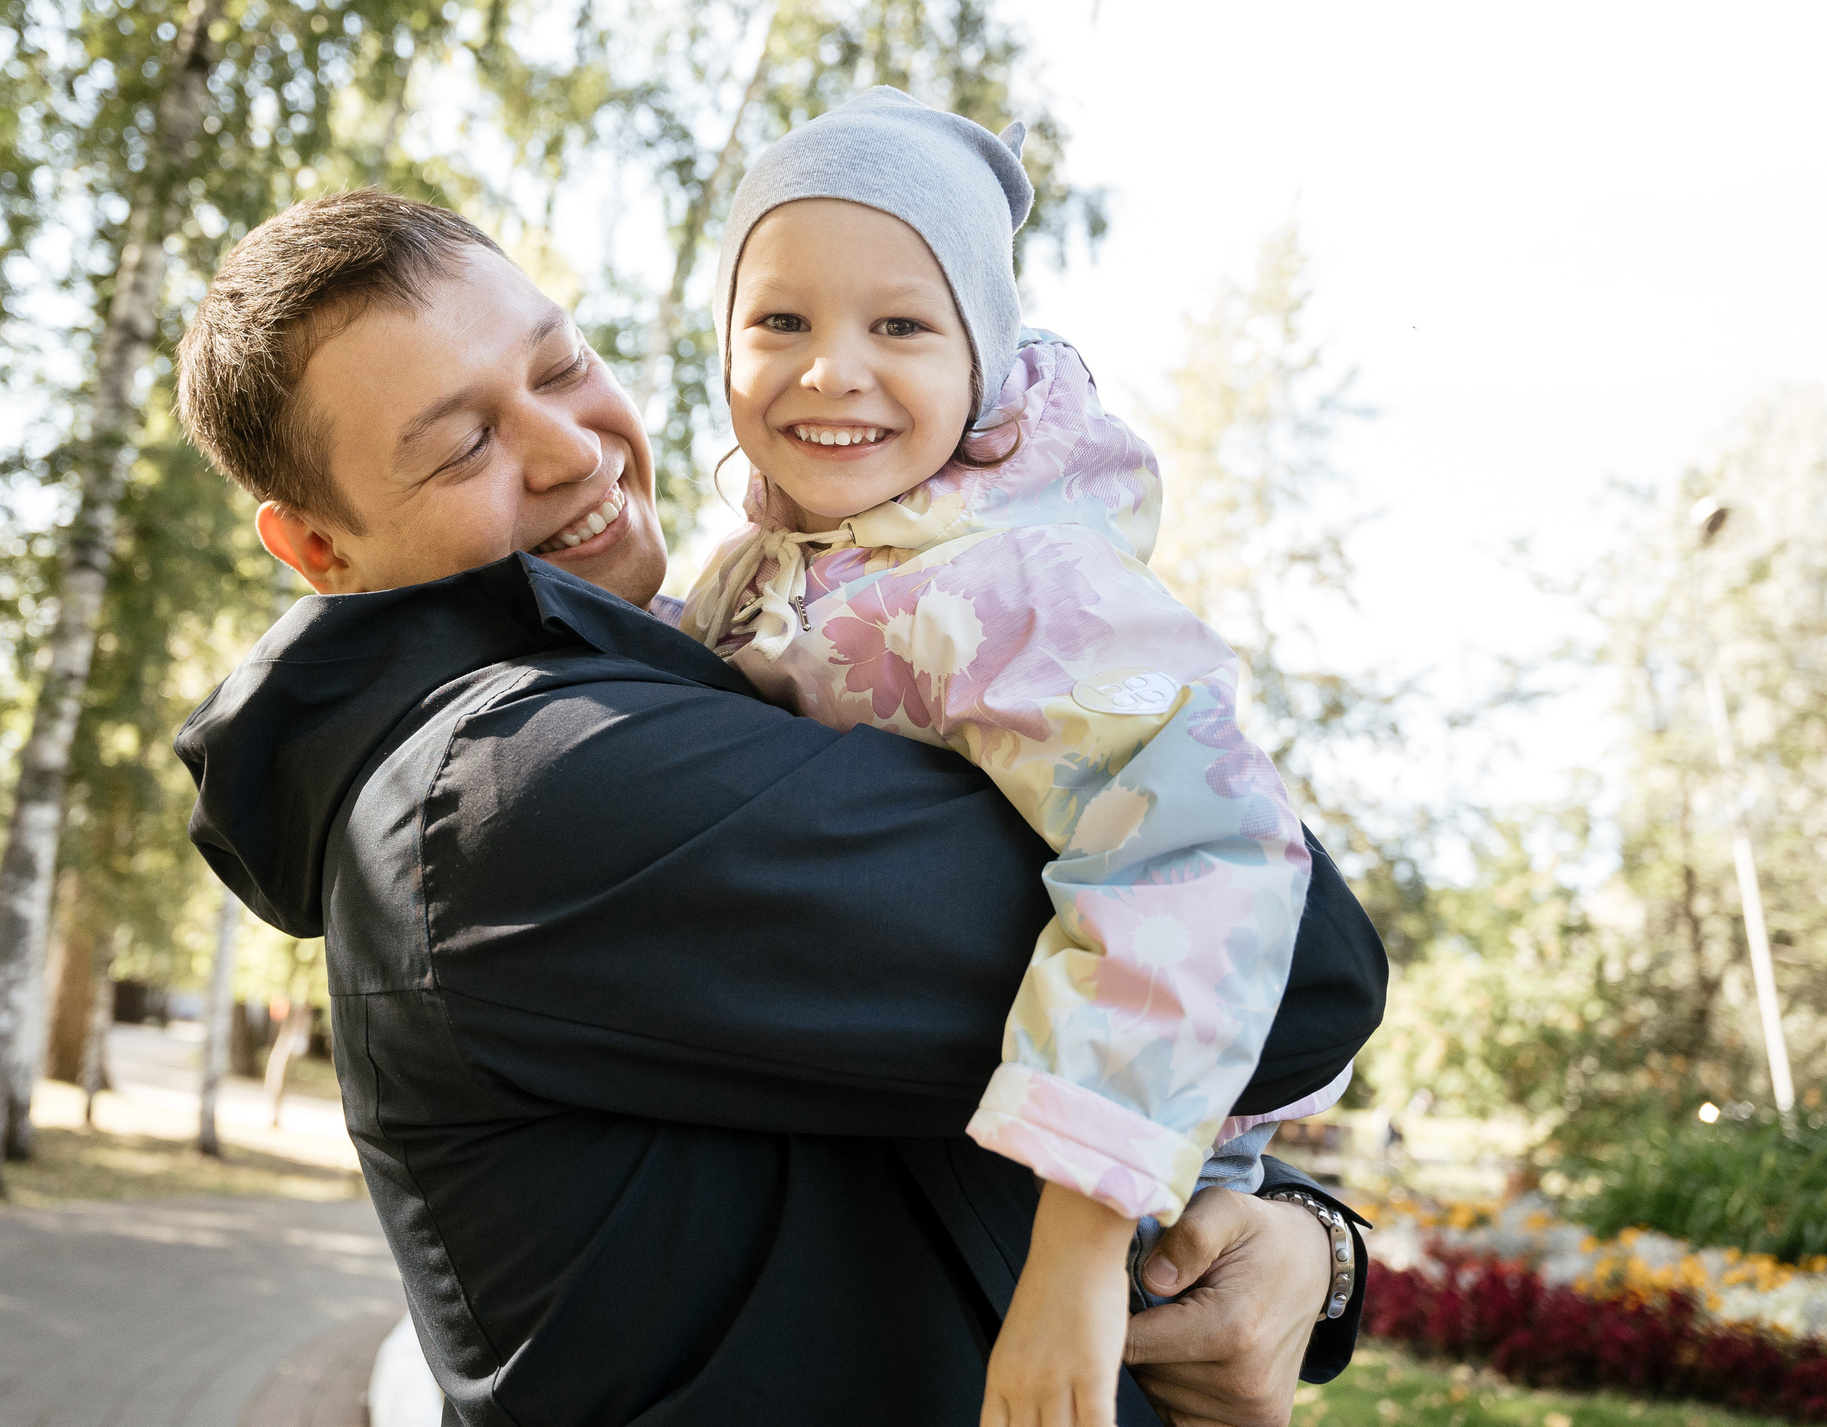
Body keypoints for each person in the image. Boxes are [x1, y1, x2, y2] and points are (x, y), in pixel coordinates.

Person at [171, 187, 1388, 1426]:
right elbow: (1302, 966)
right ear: (319, 549)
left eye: (559, 364)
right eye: (462, 446)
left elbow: (929, 1135)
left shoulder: (689, 669)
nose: (572, 450)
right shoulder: (521, 788)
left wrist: (1305, 1248)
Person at [676, 88, 1363, 1427]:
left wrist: (1078, 1248)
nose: (830, 368)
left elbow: (1202, 851)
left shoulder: (1026, 582)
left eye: (900, 325)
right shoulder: (759, 573)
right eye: (781, 320)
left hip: (1134, 1171)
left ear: (983, 357)